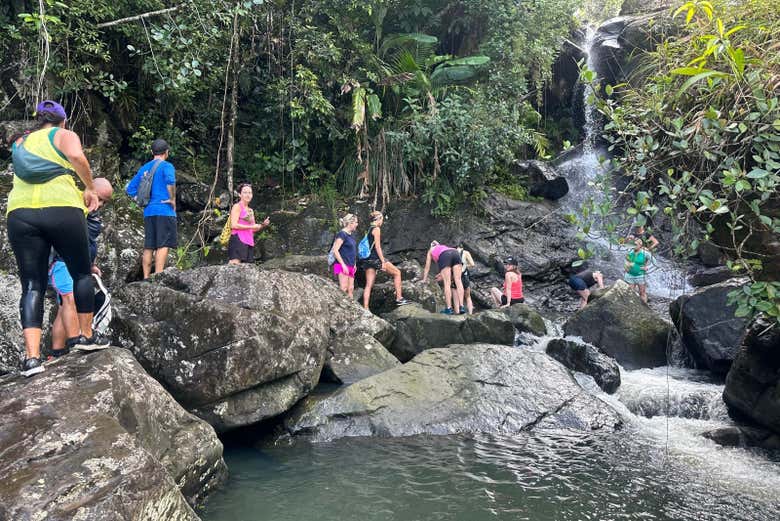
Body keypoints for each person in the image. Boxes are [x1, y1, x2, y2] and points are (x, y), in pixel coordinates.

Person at [6, 100, 106, 377]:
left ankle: (32, 358)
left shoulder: (21, 142)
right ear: (62, 121)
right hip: (62, 208)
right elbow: (77, 157)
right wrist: (89, 187)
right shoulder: (63, 134)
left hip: (21, 213)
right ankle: (86, 337)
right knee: (81, 274)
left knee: (32, 285)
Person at [49, 178, 114, 357]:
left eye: (103, 202)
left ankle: (57, 352)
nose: (99, 204)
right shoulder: (71, 205)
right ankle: (76, 343)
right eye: (99, 198)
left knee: (64, 305)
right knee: (70, 298)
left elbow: (86, 243)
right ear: (89, 189)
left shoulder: (90, 214)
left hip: (75, 265)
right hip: (61, 263)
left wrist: (90, 265)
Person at [126, 139, 176, 279]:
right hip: (164, 210)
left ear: (151, 152)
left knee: (149, 245)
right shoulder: (167, 166)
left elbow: (130, 189)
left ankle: (146, 277)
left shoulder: (144, 168)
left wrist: (140, 200)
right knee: (163, 243)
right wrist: (172, 198)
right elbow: (170, 181)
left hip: (148, 212)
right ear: (167, 152)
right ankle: (158, 276)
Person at [359, 211, 410, 309]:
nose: (382, 222)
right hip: (375, 259)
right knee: (397, 273)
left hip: (367, 260)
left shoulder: (369, 229)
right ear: (378, 219)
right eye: (382, 219)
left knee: (369, 285)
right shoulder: (377, 229)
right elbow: (377, 247)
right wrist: (382, 261)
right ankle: (399, 298)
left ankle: (365, 308)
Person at [227, 183, 270, 264]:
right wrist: (250, 227)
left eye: (250, 193)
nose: (248, 195)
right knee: (234, 266)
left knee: (247, 269)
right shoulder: (237, 206)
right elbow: (233, 225)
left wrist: (263, 225)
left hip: (249, 242)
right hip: (238, 240)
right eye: (245, 192)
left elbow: (253, 229)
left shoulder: (250, 210)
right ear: (240, 194)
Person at [422, 241, 464, 315]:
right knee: (458, 281)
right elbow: (448, 267)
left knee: (447, 283)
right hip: (455, 253)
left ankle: (449, 309)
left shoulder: (431, 250)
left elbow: (427, 267)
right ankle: (462, 307)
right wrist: (441, 274)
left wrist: (424, 279)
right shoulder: (443, 247)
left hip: (445, 256)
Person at [331, 213, 359, 298]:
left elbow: (352, 251)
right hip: (341, 264)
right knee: (343, 288)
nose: (357, 224)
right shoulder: (342, 234)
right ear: (350, 223)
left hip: (350, 264)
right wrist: (343, 265)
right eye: (356, 222)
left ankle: (352, 309)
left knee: (351, 288)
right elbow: (335, 250)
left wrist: (354, 264)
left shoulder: (351, 235)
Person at [625, 237, 650, 303]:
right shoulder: (629, 252)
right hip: (630, 275)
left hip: (640, 276)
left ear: (640, 245)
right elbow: (627, 263)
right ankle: (631, 308)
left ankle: (645, 308)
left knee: (642, 293)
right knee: (630, 293)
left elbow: (653, 261)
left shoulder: (645, 252)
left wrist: (646, 266)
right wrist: (627, 268)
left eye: (636, 244)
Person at [457, 246, 475, 314]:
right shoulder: (466, 252)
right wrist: (465, 265)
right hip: (464, 276)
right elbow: (472, 264)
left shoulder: (452, 252)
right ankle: (470, 313)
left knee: (457, 295)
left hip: (456, 277)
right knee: (468, 296)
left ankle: (458, 312)